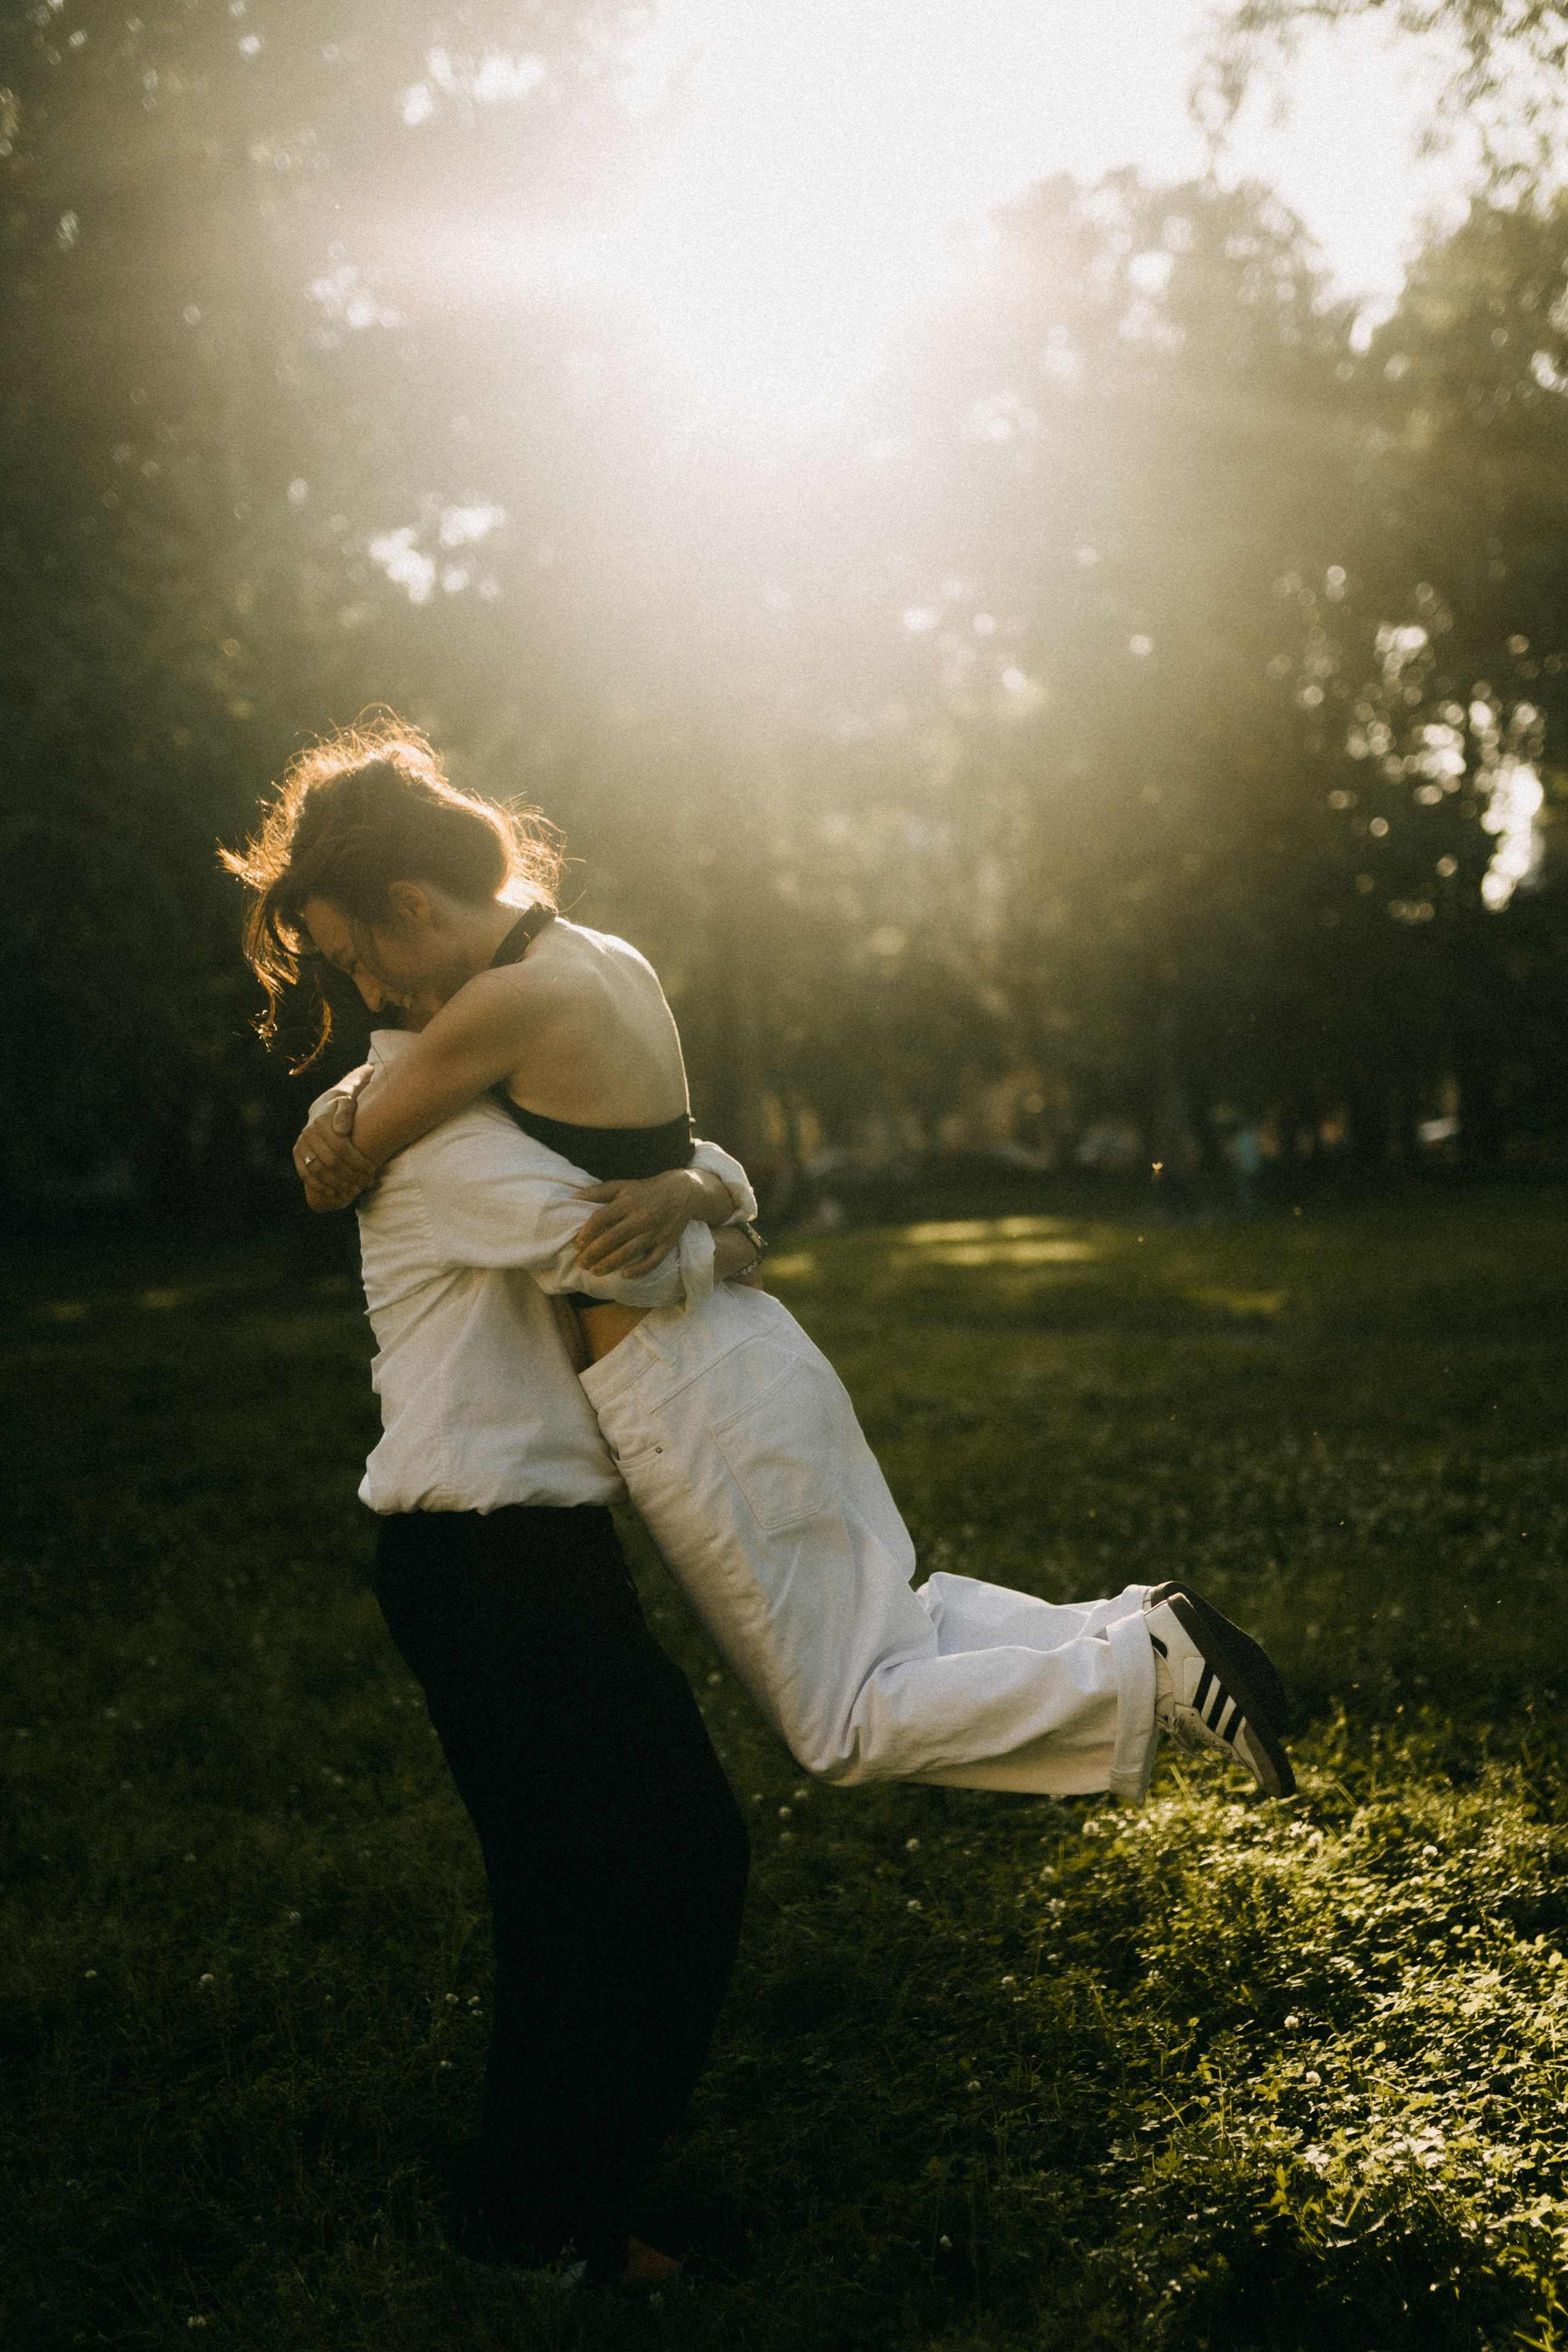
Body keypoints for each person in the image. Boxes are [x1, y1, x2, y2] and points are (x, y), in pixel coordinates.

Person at [229, 723, 1291, 1785]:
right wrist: (717, 1209)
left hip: (685, 1393)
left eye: (357, 959)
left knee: (846, 1721)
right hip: (753, 1361)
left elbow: (347, 1161)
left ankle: (1142, 1667)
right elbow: (685, 1158)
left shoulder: (507, 1001)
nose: (367, 996)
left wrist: (336, 1115)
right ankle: (1137, 1627)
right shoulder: (603, 958)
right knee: (896, 1637)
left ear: (411, 902)